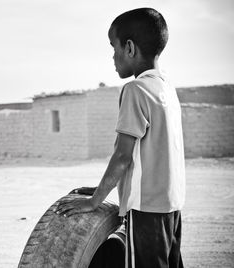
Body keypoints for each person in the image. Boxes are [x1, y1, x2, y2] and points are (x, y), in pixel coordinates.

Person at [55, 7, 185, 268]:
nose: (112, 56)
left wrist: (94, 201)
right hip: (172, 206)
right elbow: (148, 157)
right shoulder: (166, 89)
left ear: (129, 47)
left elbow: (123, 155)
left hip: (146, 211)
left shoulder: (135, 90)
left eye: (113, 47)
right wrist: (104, 189)